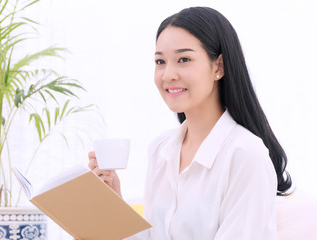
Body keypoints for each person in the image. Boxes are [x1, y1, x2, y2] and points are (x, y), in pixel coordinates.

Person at [88, 6, 292, 240]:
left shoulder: (245, 155)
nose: (168, 74)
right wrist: (115, 202)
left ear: (219, 67)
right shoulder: (161, 149)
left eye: (184, 59)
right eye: (160, 61)